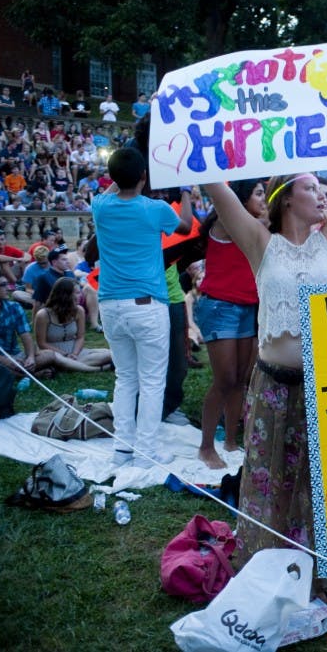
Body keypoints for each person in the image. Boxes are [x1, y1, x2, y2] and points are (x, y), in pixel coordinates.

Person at [202, 161, 327, 601]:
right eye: (313, 187)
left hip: (326, 387)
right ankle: (265, 566)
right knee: (270, 476)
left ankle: (322, 573)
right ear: (286, 197)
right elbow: (218, 190)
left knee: (322, 482)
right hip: (272, 384)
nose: (324, 194)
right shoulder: (260, 243)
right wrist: (187, 137)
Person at [92, 146, 193, 468]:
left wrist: (123, 175)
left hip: (110, 303)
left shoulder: (101, 206)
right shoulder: (155, 208)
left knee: (125, 379)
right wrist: (187, 190)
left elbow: (115, 187)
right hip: (146, 305)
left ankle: (123, 450)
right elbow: (186, 226)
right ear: (144, 177)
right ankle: (146, 451)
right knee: (151, 381)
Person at [193, 179, 265, 469]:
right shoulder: (228, 219)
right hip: (220, 306)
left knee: (240, 381)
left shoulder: (257, 224)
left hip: (248, 307)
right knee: (224, 380)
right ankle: (206, 447)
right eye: (259, 193)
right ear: (242, 197)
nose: (264, 199)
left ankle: (232, 442)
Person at [0, 271, 55, 376]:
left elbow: (25, 336)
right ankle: (33, 375)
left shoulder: (14, 307)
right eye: (3, 285)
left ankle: (17, 372)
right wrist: (4, 361)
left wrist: (30, 357)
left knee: (49, 355)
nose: (8, 288)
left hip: (14, 355)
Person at [33, 278, 112, 372]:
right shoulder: (43, 315)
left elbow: (80, 337)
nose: (81, 295)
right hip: (53, 354)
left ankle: (67, 366)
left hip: (76, 353)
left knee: (110, 354)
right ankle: (96, 368)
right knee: (57, 358)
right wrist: (65, 355)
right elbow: (42, 343)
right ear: (65, 295)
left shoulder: (79, 311)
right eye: (77, 293)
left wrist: (74, 354)